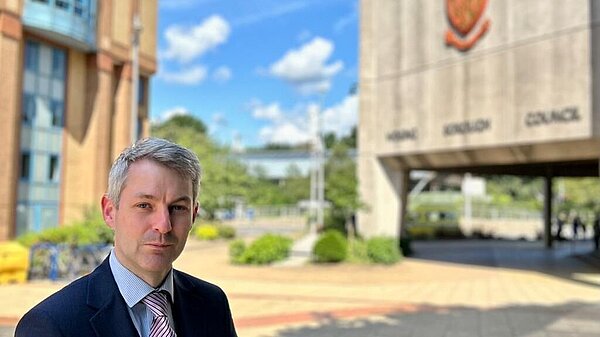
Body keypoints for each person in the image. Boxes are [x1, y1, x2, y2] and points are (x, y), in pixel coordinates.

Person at [16, 138, 237, 337]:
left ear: (194, 215)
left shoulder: (212, 304)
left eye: (178, 208)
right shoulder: (51, 325)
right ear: (110, 212)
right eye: (144, 205)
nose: (163, 225)